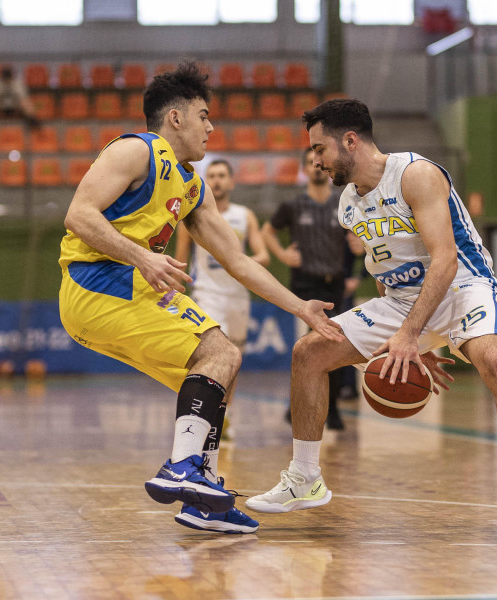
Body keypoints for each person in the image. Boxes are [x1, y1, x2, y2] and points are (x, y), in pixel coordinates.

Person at [246, 99, 497, 523]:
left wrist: (413, 334)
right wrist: (422, 339)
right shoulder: (348, 205)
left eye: (320, 149)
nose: (316, 160)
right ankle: (304, 478)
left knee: (492, 359)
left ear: (351, 141)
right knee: (308, 353)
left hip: (463, 286)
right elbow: (384, 270)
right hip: (402, 300)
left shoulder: (417, 175)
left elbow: (445, 260)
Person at [58, 61, 342, 534]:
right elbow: (78, 216)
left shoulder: (191, 184)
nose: (212, 126)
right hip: (98, 284)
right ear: (176, 118)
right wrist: (142, 257)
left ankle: (201, 496)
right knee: (218, 351)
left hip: (131, 289)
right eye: (204, 116)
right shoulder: (135, 151)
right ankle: (181, 468)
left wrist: (300, 306)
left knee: (224, 364)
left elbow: (239, 260)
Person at [261, 147, 363, 430]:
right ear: (304, 170)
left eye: (320, 163)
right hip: (306, 285)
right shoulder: (293, 206)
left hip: (336, 285)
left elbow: (359, 237)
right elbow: (267, 231)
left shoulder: (342, 205)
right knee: (308, 348)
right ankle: (299, 404)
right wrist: (282, 255)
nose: (316, 167)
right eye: (310, 163)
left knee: (339, 346)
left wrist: (359, 247)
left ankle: (332, 410)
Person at [174, 159, 269, 441]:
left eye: (221, 175)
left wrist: (239, 262)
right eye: (211, 176)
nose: (216, 180)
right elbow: (180, 259)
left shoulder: (245, 215)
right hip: (206, 295)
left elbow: (263, 256)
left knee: (233, 360)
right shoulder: (193, 216)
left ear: (231, 181)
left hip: (237, 297)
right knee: (209, 355)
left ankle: (222, 416)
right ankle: (197, 416)